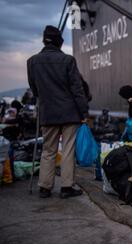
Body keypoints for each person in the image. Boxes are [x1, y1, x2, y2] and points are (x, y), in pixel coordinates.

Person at [27, 25, 89, 199]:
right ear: (59, 42)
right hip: (70, 113)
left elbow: (35, 89)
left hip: (48, 113)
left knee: (48, 150)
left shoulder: (32, 62)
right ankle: (66, 187)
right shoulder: (68, 60)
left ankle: (45, 187)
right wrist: (84, 112)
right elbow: (77, 89)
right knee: (68, 149)